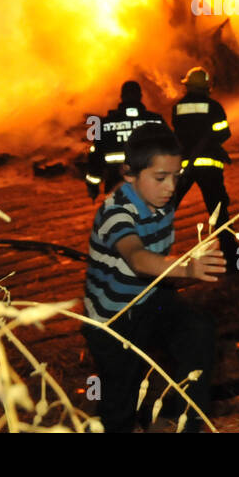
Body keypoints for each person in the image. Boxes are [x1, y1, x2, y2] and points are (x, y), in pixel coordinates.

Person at [82, 124, 225, 432]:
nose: (171, 187)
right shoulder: (116, 212)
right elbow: (137, 258)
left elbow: (153, 265)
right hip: (112, 319)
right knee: (120, 396)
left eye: (176, 176)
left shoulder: (162, 199)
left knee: (198, 332)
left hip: (149, 297)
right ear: (129, 174)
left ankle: (185, 419)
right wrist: (186, 267)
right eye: (161, 178)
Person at [167, 67, 239, 270]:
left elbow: (178, 135)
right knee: (218, 212)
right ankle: (232, 261)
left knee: (167, 207)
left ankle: (150, 252)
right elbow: (224, 133)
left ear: (188, 86)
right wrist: (211, 143)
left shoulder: (178, 107)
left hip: (185, 166)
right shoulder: (214, 107)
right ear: (207, 87)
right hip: (209, 166)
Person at [83, 81, 167, 199]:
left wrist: (92, 185)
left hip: (115, 184)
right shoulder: (156, 121)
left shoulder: (105, 123)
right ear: (140, 96)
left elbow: (96, 156)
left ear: (122, 97)